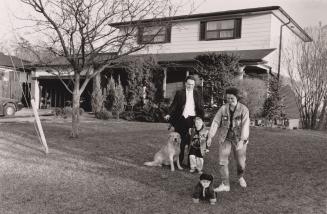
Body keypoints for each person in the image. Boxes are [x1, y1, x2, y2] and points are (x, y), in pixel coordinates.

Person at [207, 87, 250, 192]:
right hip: (225, 138)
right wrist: (210, 136)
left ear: (237, 98)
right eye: (228, 98)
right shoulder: (223, 108)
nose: (230, 101)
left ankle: (240, 177)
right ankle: (225, 184)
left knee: (241, 162)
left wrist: (242, 140)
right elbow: (216, 122)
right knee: (222, 161)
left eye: (232, 98)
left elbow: (245, 125)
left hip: (239, 139)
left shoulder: (244, 110)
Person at [164, 75, 204, 167]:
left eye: (192, 84)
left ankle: (192, 164)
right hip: (181, 120)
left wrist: (201, 120)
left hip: (192, 120)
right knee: (179, 142)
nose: (190, 86)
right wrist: (169, 114)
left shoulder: (198, 94)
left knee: (192, 143)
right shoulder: (179, 93)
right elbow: (174, 105)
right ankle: (179, 162)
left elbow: (200, 108)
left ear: (194, 85)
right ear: (185, 84)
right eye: (189, 84)